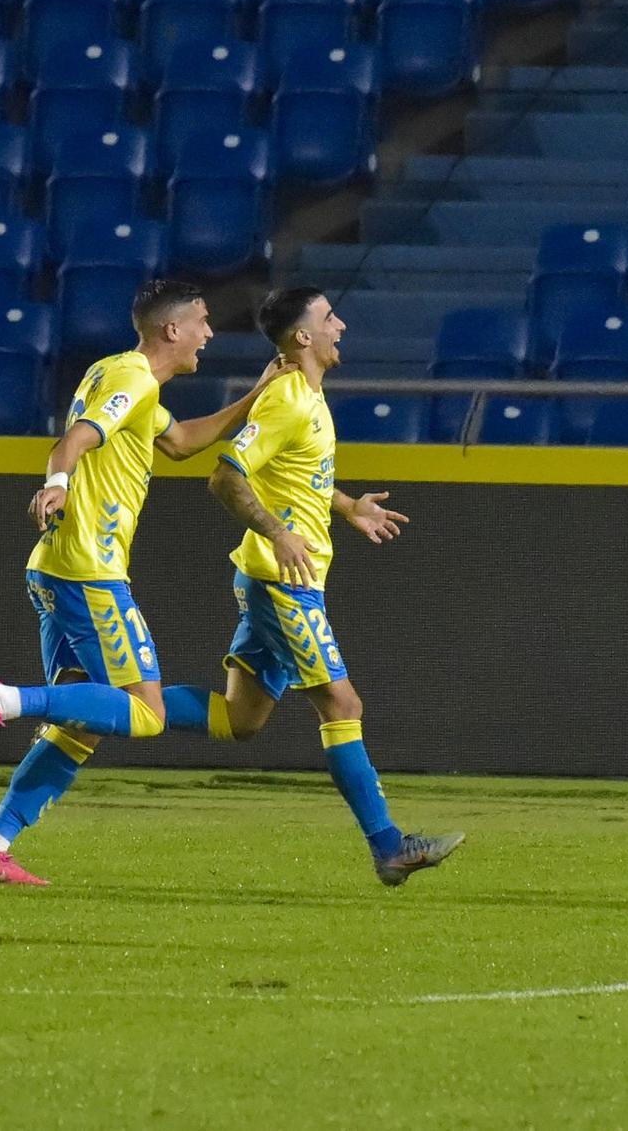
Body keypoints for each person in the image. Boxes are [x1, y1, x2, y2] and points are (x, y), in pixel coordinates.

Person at [0, 279, 284, 886]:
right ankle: (1, 699)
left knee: (82, 724)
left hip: (55, 567)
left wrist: (255, 394)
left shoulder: (124, 376)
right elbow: (74, 440)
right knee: (145, 711)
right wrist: (57, 482)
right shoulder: (132, 379)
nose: (210, 333)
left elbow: (180, 443)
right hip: (90, 571)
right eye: (203, 321)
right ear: (172, 330)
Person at [205, 286, 462, 886]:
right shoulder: (289, 400)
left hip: (277, 577)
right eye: (328, 318)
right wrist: (277, 532)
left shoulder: (309, 399)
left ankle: (114, 708)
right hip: (283, 583)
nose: (341, 325)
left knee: (241, 720)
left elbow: (297, 476)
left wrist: (345, 506)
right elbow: (224, 477)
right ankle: (390, 846)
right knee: (342, 704)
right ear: (302, 337)